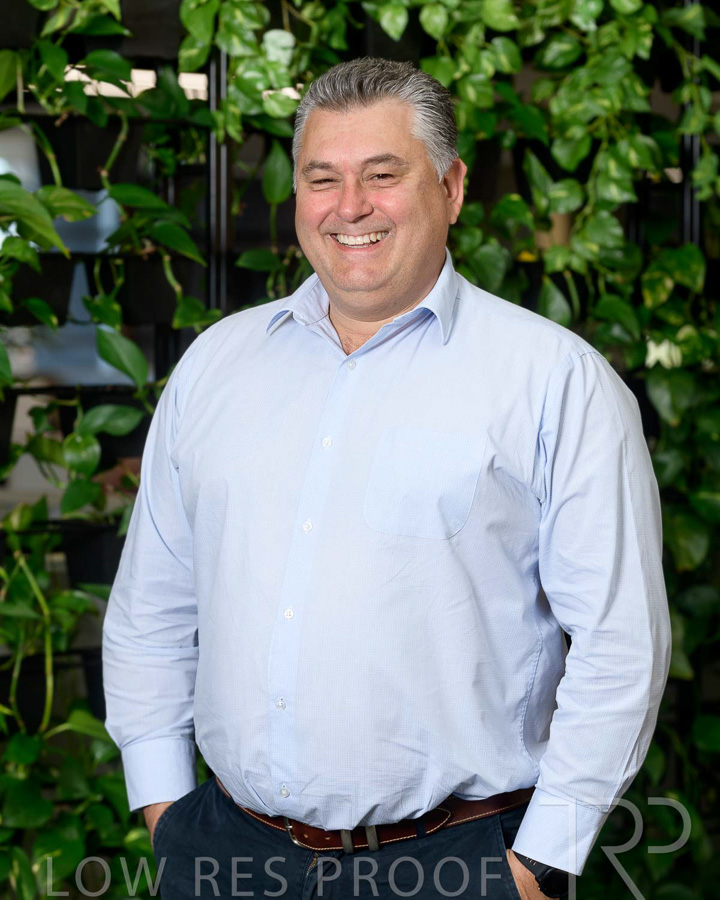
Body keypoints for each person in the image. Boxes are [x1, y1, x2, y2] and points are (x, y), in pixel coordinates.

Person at [102, 57, 672, 900]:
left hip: (457, 863)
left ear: (451, 187)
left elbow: (621, 646)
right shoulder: (216, 366)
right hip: (223, 852)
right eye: (322, 178)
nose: (350, 207)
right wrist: (165, 812)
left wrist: (536, 868)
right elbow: (152, 609)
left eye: (382, 174)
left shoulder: (556, 381)